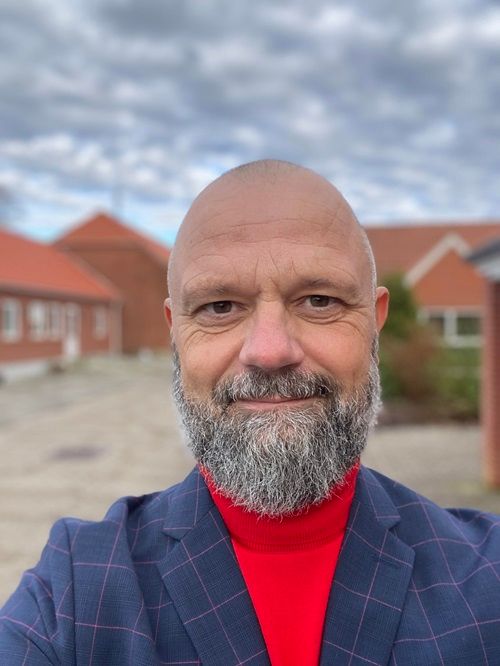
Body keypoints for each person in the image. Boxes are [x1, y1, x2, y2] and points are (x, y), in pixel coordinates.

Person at [1, 160, 500, 665]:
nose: (269, 351)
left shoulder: (487, 580)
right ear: (176, 330)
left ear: (375, 319)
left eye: (319, 300)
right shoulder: (72, 595)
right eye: (220, 307)